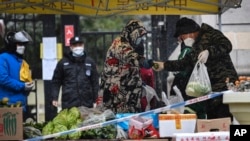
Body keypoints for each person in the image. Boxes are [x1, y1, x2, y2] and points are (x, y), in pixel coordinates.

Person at [153, 17, 238, 120]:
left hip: (224, 86)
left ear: (190, 33)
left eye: (181, 36)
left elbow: (227, 45)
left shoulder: (211, 33)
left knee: (224, 119)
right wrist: (163, 65)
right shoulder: (195, 47)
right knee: (213, 123)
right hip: (209, 90)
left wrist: (209, 52)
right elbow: (184, 63)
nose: (181, 40)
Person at [97, 19, 150, 113]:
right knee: (121, 124)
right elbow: (129, 55)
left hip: (128, 95)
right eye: (139, 35)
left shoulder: (129, 45)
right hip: (118, 98)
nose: (140, 39)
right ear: (132, 33)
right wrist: (142, 60)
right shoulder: (119, 44)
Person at [51, 36, 99, 110]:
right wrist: (55, 97)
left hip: (86, 103)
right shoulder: (63, 63)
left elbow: (95, 82)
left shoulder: (90, 62)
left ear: (83, 46)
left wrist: (96, 99)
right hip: (69, 103)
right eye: (75, 45)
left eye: (80, 45)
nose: (78, 47)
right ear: (71, 47)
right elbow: (56, 81)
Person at [0, 30, 34, 121]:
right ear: (12, 45)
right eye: (19, 44)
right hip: (7, 106)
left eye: (24, 45)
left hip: (21, 106)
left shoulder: (22, 61)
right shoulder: (3, 58)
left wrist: (28, 86)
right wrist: (23, 86)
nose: (22, 47)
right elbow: (3, 78)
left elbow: (25, 79)